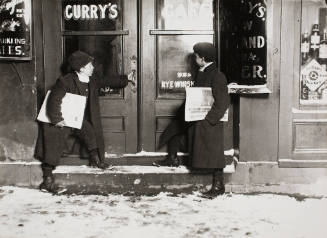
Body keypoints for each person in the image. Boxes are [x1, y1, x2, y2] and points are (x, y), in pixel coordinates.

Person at [35, 50, 133, 193]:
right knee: (54, 143)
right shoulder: (65, 81)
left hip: (77, 118)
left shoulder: (92, 79)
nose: (92, 67)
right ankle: (47, 180)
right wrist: (57, 119)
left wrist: (126, 78)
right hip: (60, 119)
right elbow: (53, 100)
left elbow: (107, 80)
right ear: (81, 68)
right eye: (89, 65)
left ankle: (96, 160)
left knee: (90, 132)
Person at [155, 42, 230, 198]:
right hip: (197, 118)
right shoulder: (202, 71)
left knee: (214, 152)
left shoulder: (217, 75)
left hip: (209, 123)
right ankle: (172, 158)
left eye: (196, 56)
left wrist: (209, 120)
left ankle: (218, 185)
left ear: (202, 58)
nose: (194, 59)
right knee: (175, 128)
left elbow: (223, 102)